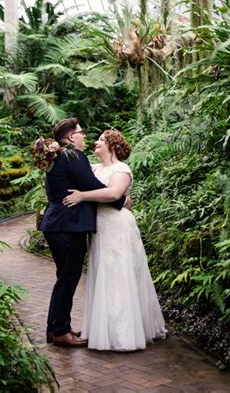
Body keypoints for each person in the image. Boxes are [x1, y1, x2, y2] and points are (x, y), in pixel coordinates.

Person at [63, 129, 167, 352]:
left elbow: (113, 195)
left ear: (112, 145)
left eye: (101, 140)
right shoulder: (94, 168)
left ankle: (124, 335)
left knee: (119, 274)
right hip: (99, 228)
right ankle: (103, 329)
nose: (96, 143)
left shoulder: (122, 169)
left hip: (118, 226)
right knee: (103, 275)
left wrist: (82, 196)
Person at [39, 118, 127, 348]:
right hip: (68, 225)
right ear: (70, 137)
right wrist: (121, 200)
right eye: (81, 132)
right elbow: (92, 184)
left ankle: (56, 328)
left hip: (59, 224)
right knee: (68, 278)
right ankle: (59, 331)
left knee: (65, 278)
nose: (84, 136)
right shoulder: (73, 156)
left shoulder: (58, 157)